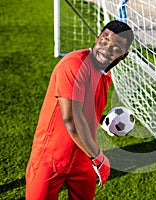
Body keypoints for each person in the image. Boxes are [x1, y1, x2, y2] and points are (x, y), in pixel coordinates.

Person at [26, 20, 134, 199]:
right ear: (97, 38)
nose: (106, 49)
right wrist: (99, 158)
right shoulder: (74, 64)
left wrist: (104, 120)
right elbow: (72, 120)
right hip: (51, 159)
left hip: (83, 158)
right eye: (104, 41)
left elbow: (85, 107)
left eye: (115, 48)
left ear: (123, 56)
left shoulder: (105, 76)